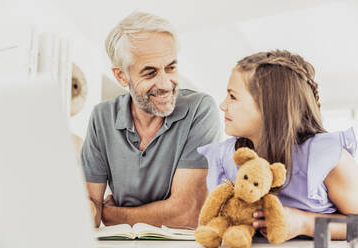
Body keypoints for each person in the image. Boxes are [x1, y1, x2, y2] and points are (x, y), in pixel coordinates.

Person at [197, 50, 358, 240]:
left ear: (269, 107)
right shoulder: (229, 157)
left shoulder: (327, 158)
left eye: (233, 96)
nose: (223, 105)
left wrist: (305, 223)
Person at [81, 12, 221, 228]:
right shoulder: (102, 117)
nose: (165, 84)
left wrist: (113, 214)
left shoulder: (200, 109)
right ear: (121, 76)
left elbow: (188, 213)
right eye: (150, 73)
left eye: (171, 67)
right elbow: (89, 209)